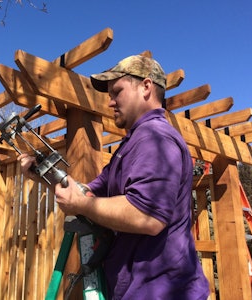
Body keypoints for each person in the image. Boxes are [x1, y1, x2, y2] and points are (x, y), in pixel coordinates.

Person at [18, 55, 210, 299]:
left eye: (116, 92)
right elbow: (88, 191)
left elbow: (148, 215)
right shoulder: (131, 144)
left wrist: (82, 205)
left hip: (162, 292)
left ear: (146, 87)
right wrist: (40, 173)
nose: (110, 102)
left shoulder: (156, 138)